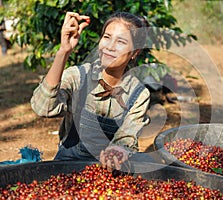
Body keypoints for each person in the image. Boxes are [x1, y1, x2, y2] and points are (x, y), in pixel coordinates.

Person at [31, 11, 150, 171]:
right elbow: (43, 108)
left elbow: (126, 138)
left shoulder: (138, 95)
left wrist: (118, 150)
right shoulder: (78, 77)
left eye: (121, 41)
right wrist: (63, 52)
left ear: (135, 52)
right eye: (107, 37)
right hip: (68, 165)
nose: (110, 47)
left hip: (110, 171)